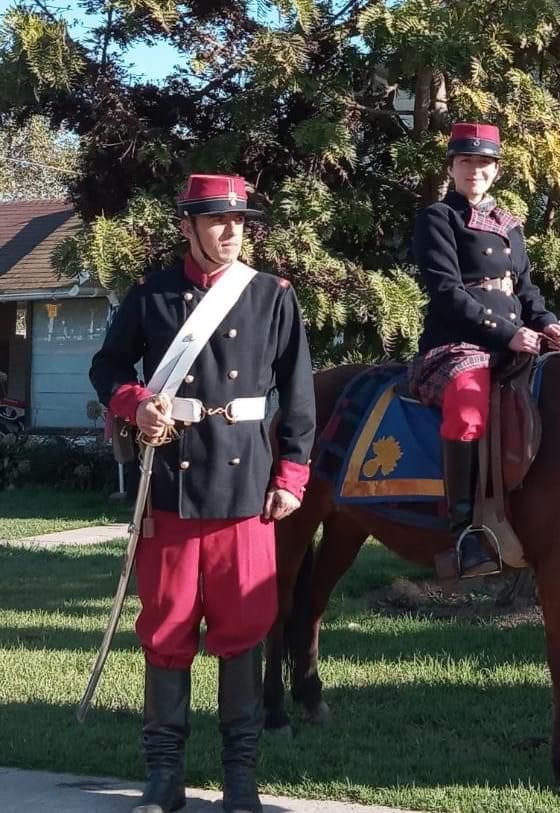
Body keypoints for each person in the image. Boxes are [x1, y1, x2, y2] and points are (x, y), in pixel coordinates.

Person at [89, 173, 316, 813]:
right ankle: (164, 779)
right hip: (169, 487)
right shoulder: (152, 294)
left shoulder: (272, 295)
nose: (229, 231)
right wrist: (135, 404)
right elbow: (108, 367)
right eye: (216, 220)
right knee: (166, 627)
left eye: (238, 221)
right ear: (187, 226)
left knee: (243, 626)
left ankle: (240, 779)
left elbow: (296, 397)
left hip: (246, 486)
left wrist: (292, 476)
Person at [410, 122, 560, 578]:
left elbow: (525, 289)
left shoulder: (509, 224)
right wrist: (505, 334)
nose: (474, 171)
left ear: (495, 170)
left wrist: (549, 323)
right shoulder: (438, 218)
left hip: (518, 339)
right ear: (452, 168)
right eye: (465, 162)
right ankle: (464, 530)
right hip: (458, 342)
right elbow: (446, 291)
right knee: (467, 405)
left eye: (482, 163)